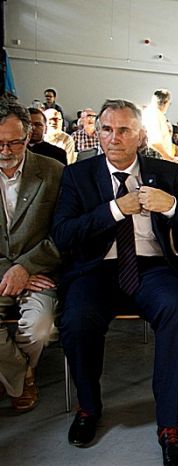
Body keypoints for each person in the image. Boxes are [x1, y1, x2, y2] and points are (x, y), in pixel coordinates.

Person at [52, 99, 178, 466]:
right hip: (97, 269)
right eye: (107, 129)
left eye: (124, 130)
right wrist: (116, 209)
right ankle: (89, 407)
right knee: (77, 319)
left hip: (152, 267)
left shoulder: (167, 172)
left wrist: (171, 206)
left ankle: (169, 424)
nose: (114, 137)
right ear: (97, 133)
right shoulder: (77, 175)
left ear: (140, 135)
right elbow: (63, 234)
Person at [0, 100, 63, 413]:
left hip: (40, 272)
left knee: (40, 328)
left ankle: (11, 372)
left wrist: (25, 267)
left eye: (14, 142)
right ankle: (21, 375)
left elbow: (65, 234)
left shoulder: (54, 172)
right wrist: (9, 271)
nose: (5, 151)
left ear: (28, 137)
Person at [142, 89, 176, 162]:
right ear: (165, 102)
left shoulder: (153, 113)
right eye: (169, 103)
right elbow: (154, 142)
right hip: (156, 157)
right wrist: (168, 157)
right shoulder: (154, 115)